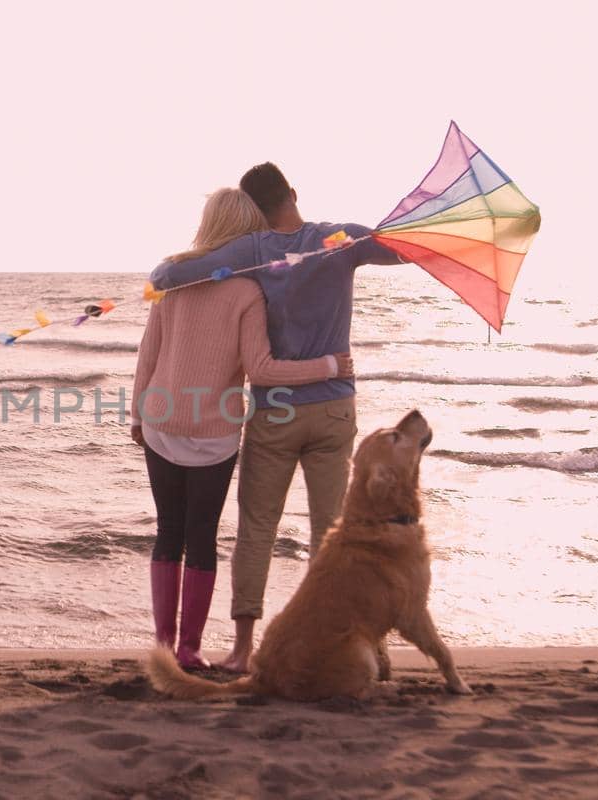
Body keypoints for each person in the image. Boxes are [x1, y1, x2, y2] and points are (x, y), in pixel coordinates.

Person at [148, 163, 408, 673]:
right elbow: (402, 251)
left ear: (254, 212)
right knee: (334, 533)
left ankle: (243, 651)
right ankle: (356, 642)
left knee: (257, 530)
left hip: (276, 410)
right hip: (333, 407)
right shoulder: (342, 239)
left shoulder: (251, 251)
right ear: (292, 192)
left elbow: (168, 275)